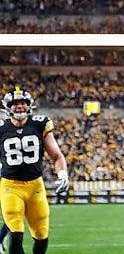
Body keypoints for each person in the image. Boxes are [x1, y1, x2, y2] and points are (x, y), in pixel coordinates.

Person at [0, 87, 69, 254]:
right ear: (8, 106)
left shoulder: (40, 124)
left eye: (22, 103)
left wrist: (62, 174)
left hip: (35, 186)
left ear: (29, 105)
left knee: (41, 234)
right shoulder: (2, 128)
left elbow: (56, 155)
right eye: (15, 104)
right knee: (15, 232)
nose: (19, 107)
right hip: (11, 186)